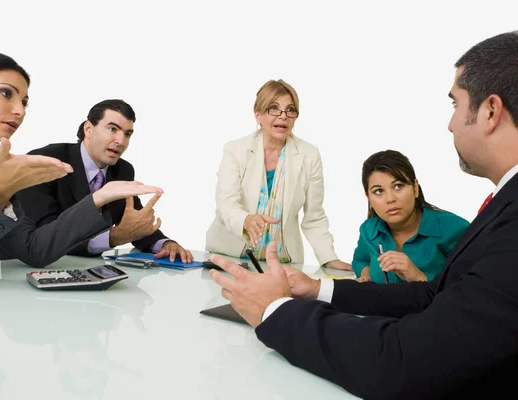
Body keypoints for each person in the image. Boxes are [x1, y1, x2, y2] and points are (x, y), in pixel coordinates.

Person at [209, 31, 518, 399]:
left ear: (490, 111)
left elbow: (406, 359)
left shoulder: (309, 154)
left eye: (455, 105)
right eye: (274, 109)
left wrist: (277, 310)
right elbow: (435, 296)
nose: (450, 124)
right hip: (235, 252)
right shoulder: (499, 206)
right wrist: (319, 288)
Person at [0, 52, 162, 285]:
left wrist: (98, 198)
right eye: (5, 93)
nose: (20, 111)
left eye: (24, 102)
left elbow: (34, 250)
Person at [0, 99, 192, 262]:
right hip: (14, 270)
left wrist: (165, 244)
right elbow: (46, 234)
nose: (121, 141)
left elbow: (133, 223)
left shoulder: (123, 169)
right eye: (112, 129)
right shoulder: (47, 161)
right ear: (88, 129)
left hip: (77, 272)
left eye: (127, 134)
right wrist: (113, 238)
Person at [205, 79, 350, 270]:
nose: (283, 116)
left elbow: (314, 217)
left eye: (290, 110)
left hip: (282, 264)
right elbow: (226, 203)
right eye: (274, 108)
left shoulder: (309, 155)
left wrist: (329, 258)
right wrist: (246, 220)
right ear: (258, 115)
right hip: (230, 257)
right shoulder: (235, 150)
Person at [353, 150, 469, 283]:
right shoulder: (368, 230)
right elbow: (360, 260)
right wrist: (367, 276)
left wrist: (419, 277)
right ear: (368, 198)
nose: (390, 199)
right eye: (378, 191)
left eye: (398, 186)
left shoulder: (454, 228)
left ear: (415, 188)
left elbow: (473, 285)